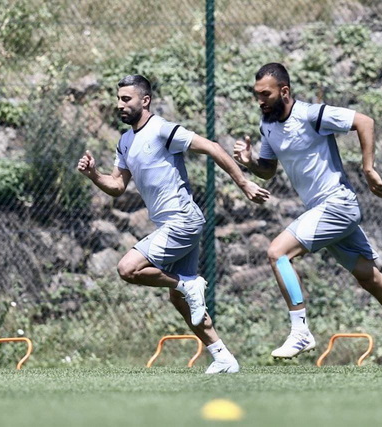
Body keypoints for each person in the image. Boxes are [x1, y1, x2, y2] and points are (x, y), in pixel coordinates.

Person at [233, 63, 382, 372]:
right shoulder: (268, 126)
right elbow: (268, 169)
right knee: (369, 277)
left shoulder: (311, 115)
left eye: (266, 94)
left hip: (337, 204)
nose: (260, 100)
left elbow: (364, 122)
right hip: (322, 210)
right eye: (257, 95)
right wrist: (249, 161)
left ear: (284, 91)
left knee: (277, 253)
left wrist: (368, 169)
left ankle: (300, 332)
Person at [77, 74, 270, 374]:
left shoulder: (162, 130)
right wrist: (93, 175)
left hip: (182, 220)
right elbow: (116, 186)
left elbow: (213, 147)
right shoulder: (125, 142)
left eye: (126, 99)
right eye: (118, 99)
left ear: (145, 100)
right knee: (180, 300)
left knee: (128, 268)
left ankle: (188, 284)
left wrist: (244, 183)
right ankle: (223, 357)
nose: (120, 105)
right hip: (173, 224)